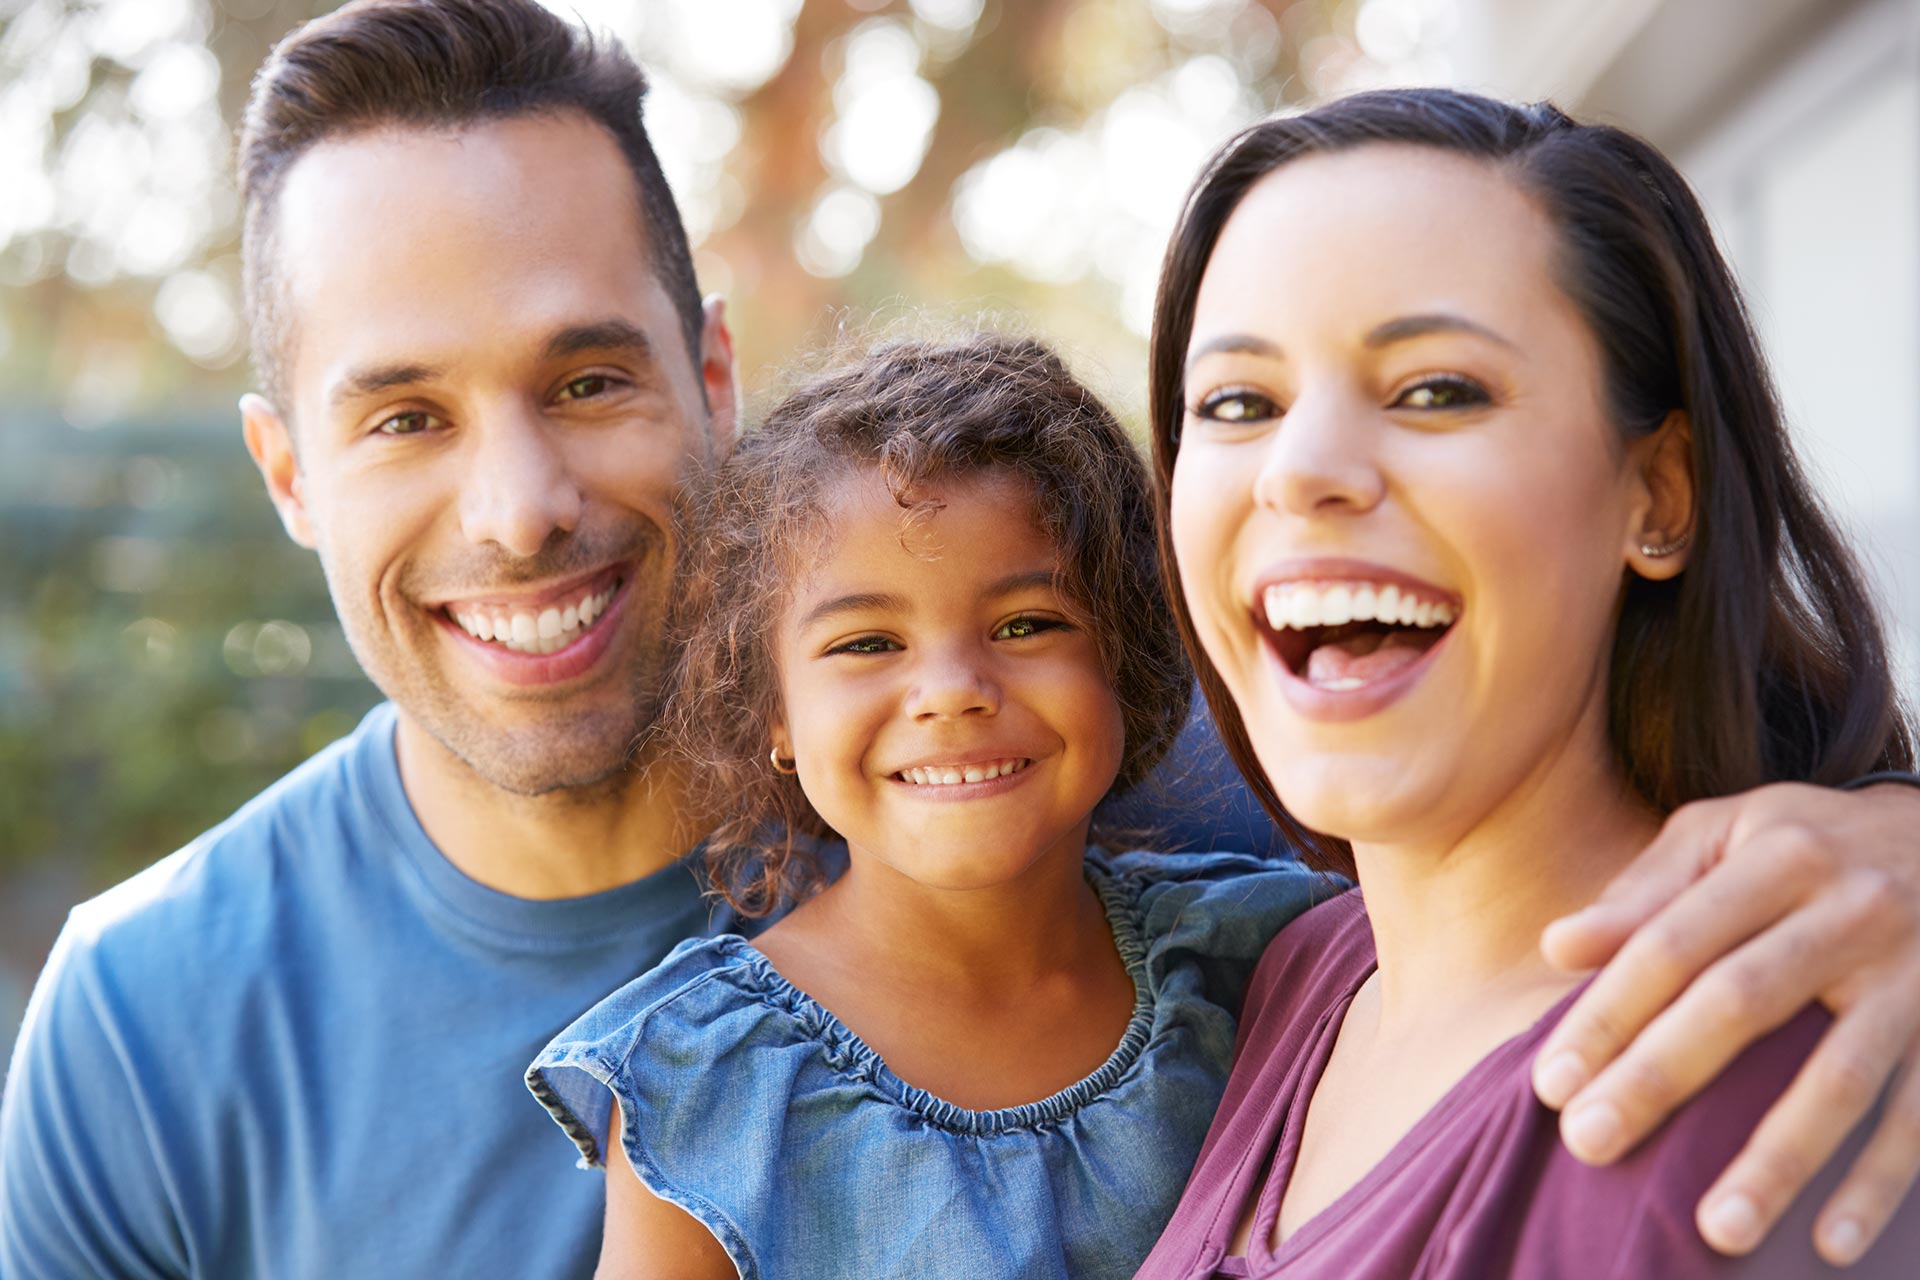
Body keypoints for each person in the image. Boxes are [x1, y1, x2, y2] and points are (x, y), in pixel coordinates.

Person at [1, 1, 1918, 1274]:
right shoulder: (147, 1030)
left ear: (713, 376)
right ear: (284, 472)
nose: (517, 505)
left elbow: (1541, 800)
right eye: (401, 414)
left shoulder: (1168, 804)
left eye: (587, 377)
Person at [1135, 89, 1920, 1277]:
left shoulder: (1742, 1094)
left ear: (1659, 494)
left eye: (1438, 389)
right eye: (1240, 402)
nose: (1301, 472)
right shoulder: (1300, 972)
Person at [528, 334, 1334, 1280]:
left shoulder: (1268, 968)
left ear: (1127, 660)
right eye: (868, 642)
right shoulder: (702, 1081)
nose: (952, 691)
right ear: (775, 711)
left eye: (1027, 625)